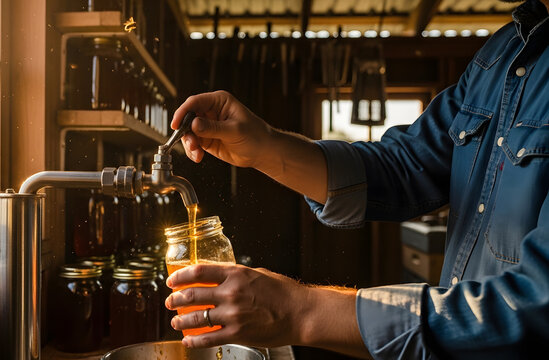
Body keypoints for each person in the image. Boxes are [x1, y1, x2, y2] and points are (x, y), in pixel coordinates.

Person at [164, 0, 549, 358]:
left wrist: (300, 310)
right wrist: (264, 146)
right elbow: (403, 166)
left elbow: (537, 305)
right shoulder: (503, 52)